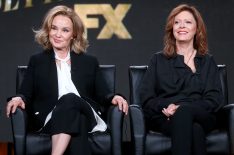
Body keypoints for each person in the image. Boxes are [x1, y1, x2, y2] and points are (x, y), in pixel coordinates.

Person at [6, 5, 128, 155]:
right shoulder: (37, 61)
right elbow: (26, 92)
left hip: (88, 113)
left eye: (65, 30)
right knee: (79, 121)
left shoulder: (88, 62)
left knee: (69, 99)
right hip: (52, 118)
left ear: (74, 35)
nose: (58, 34)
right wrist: (19, 98)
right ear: (48, 30)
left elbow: (103, 93)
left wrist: (114, 97)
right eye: (54, 28)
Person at [140, 4, 223, 155]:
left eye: (188, 22)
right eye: (177, 22)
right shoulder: (158, 60)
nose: (181, 26)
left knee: (185, 112)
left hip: (202, 115)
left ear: (197, 29)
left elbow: (214, 99)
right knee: (195, 129)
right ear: (172, 28)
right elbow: (146, 98)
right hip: (167, 118)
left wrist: (185, 108)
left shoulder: (207, 61)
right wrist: (168, 106)